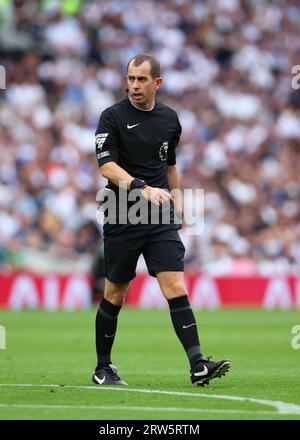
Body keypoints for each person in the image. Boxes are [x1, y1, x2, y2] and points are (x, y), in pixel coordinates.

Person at [93, 54, 230, 387]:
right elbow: (106, 167)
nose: (134, 85)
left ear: (158, 83)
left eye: (141, 79)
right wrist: (143, 188)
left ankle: (198, 363)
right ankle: (103, 368)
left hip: (159, 215)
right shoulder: (111, 117)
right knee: (115, 293)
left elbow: (170, 166)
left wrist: (178, 203)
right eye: (130, 78)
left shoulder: (170, 119)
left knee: (176, 286)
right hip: (122, 211)